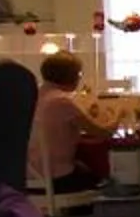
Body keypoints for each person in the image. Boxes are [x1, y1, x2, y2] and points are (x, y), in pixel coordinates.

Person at [28, 54, 110, 194]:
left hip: (30, 176)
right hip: (57, 178)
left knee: (82, 167)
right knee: (103, 179)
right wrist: (119, 116)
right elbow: (101, 132)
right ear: (70, 76)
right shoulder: (61, 101)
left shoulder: (33, 97)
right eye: (79, 74)